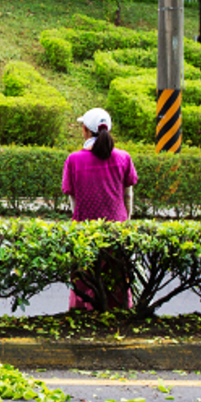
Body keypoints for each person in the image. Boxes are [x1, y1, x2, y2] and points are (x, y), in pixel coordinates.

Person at [63, 107, 138, 311]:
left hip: (85, 231)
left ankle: (82, 311)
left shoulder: (74, 160)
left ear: (85, 130)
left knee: (84, 278)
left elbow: (73, 200)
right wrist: (125, 220)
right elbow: (127, 195)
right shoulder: (124, 158)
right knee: (117, 280)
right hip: (117, 229)